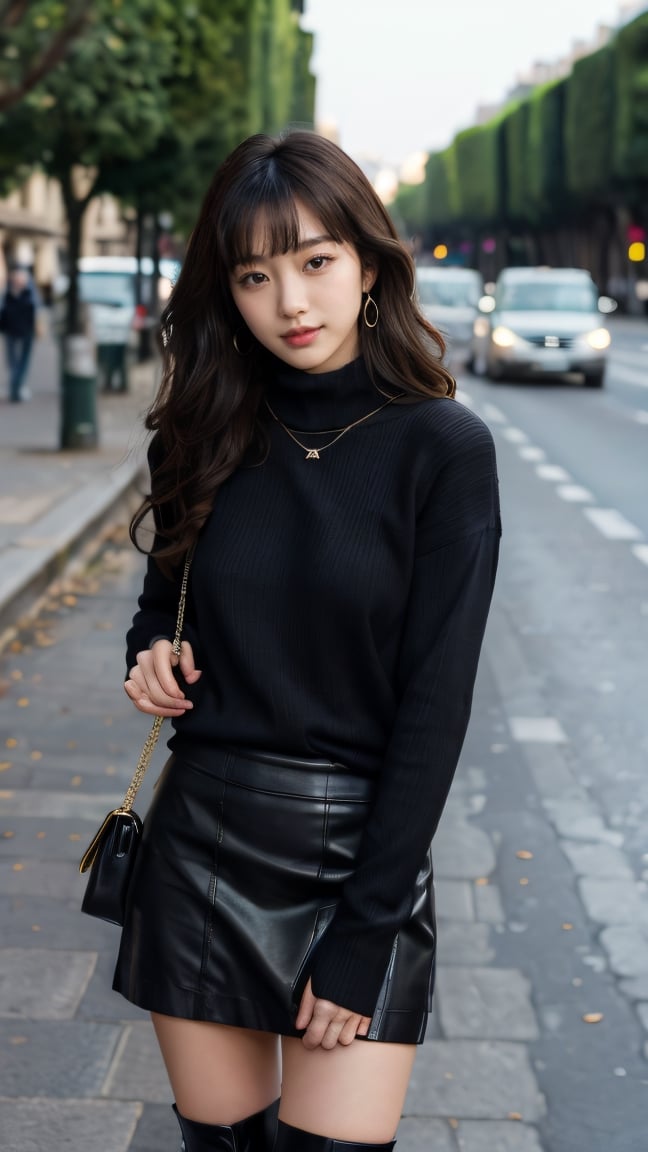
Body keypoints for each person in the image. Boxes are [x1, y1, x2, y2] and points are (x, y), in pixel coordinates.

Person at [114, 131, 501, 1152]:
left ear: (368, 264)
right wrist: (149, 654)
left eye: (316, 262)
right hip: (204, 838)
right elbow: (165, 604)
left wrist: (368, 929)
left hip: (359, 852)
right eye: (255, 274)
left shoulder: (442, 449)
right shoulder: (201, 428)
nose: (292, 302)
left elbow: (436, 702)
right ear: (226, 290)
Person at [0, 265, 39, 402]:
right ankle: (15, 390)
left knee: (16, 362)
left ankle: (15, 389)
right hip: (19, 331)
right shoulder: (23, 295)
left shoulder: (12, 294)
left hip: (18, 331)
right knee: (19, 362)